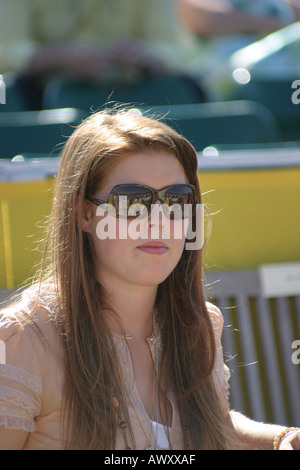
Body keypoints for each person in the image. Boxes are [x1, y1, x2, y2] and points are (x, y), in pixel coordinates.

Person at [0, 107, 299, 450]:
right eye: (132, 201)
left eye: (176, 200)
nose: (158, 220)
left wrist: (284, 439)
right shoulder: (23, 340)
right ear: (83, 213)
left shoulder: (196, 324)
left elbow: (215, 423)